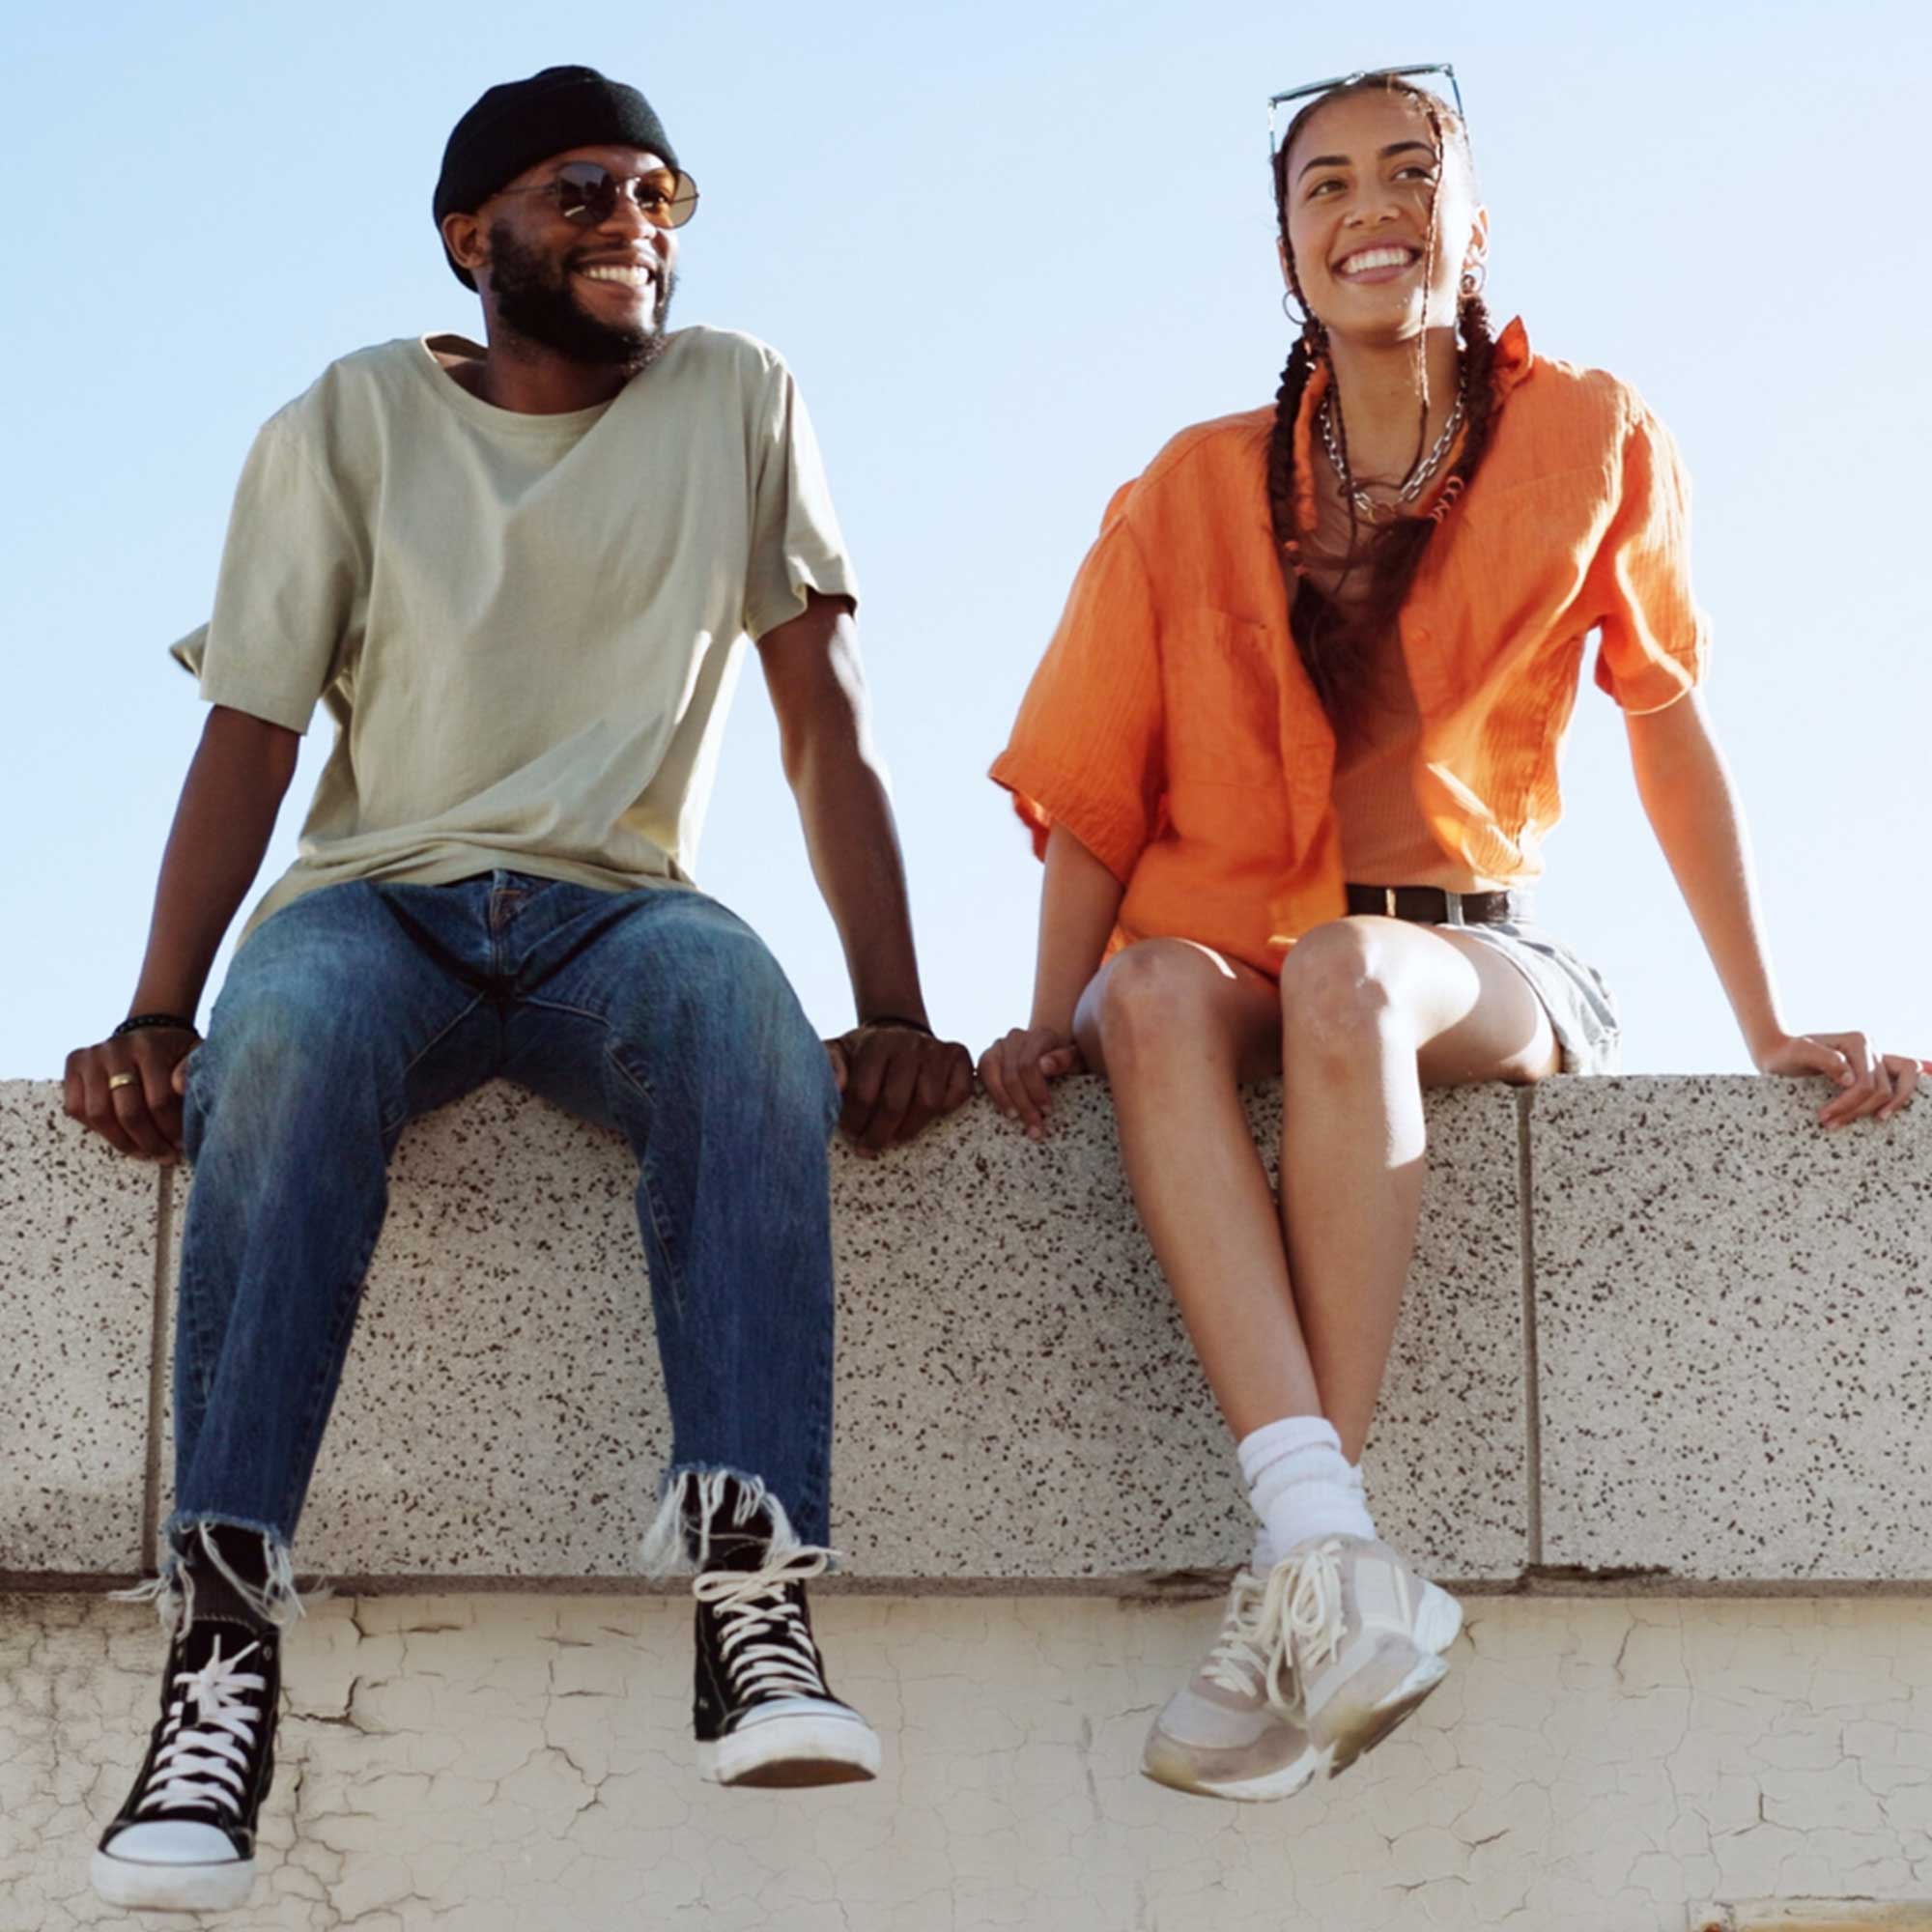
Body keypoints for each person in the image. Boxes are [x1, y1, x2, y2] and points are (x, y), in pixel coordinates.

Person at [68, 65, 974, 1914]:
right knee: (290, 1031)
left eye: (659, 193)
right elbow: (245, 735)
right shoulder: (346, 421)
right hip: (377, 904)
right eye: (582, 196)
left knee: (739, 1012)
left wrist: (891, 1010)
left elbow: (829, 728)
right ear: (472, 236)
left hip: (614, 916)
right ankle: (220, 1661)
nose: (632, 225)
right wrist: (162, 1015)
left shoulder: (738, 394)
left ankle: (752, 1600)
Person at [979, 67, 1920, 1806]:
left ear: (1472, 219)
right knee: (1148, 1002)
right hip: (1230, 952)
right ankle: (1326, 1556)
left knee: (1347, 975)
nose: (1370, 207)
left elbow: (1667, 726)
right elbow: (1096, 796)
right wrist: (1048, 1023)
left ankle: (1307, 1566)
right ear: (1286, 248)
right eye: (1325, 185)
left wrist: (1772, 1019)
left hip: (1471, 957)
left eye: (1413, 172)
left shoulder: (1590, 433)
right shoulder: (1186, 488)